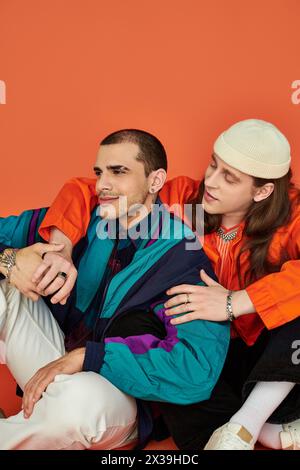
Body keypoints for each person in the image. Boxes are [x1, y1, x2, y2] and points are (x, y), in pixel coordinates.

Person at [39, 119, 300, 450]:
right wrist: (61, 246)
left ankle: (246, 426)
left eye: (229, 178)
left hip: (270, 358)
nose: (212, 182)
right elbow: (84, 190)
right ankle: (265, 431)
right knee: (138, 321)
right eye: (213, 166)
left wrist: (236, 302)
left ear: (263, 191)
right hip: (210, 358)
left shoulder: (291, 215)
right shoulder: (187, 200)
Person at [0, 129, 229, 450]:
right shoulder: (79, 222)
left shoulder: (181, 257)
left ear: (155, 180)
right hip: (49, 360)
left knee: (75, 405)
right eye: (99, 172)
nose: (102, 184)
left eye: (118, 172)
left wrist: (91, 357)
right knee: (3, 280)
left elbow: (194, 368)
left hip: (115, 395)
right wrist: (10, 260)